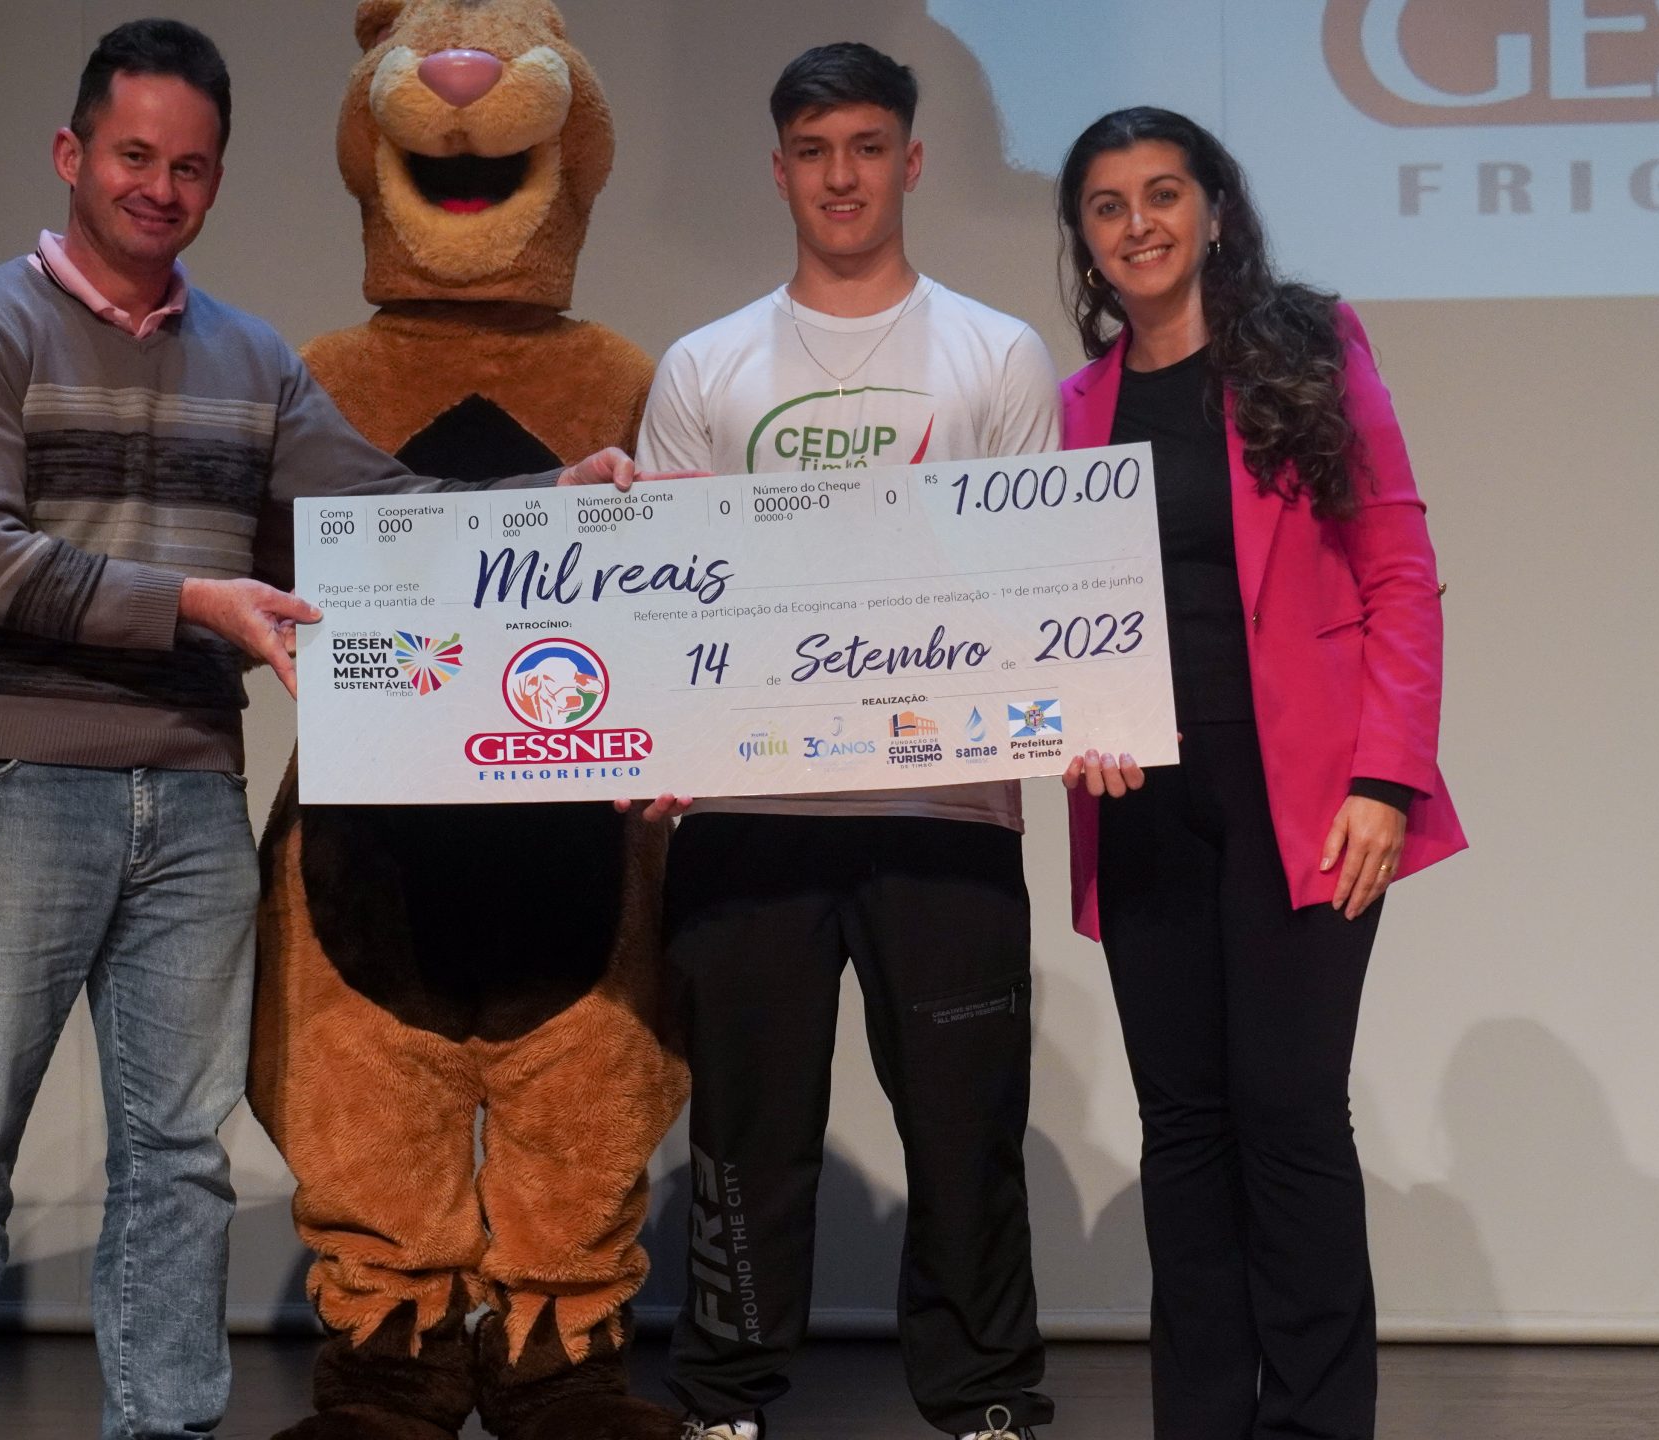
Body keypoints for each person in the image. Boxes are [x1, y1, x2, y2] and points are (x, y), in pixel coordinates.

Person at [0, 20, 642, 1440]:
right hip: (19, 785)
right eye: (134, 156)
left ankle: (165, 1424)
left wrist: (553, 498)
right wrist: (195, 604)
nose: (159, 188)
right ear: (71, 154)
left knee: (179, 1151)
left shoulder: (248, 355)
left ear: (215, 180)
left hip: (189, 796)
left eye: (190, 167)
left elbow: (381, 511)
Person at [635, 42, 1060, 1440]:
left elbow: (1044, 580)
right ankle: (724, 1396)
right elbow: (671, 596)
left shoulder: (998, 353)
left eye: (868, 148)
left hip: (948, 811)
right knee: (747, 1133)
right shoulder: (705, 365)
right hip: (750, 821)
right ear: (779, 171)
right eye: (815, 152)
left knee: (964, 1121)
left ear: (911, 162)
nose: (842, 177)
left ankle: (985, 1393)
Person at [1052, 107, 1467, 1440]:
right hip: (1143, 801)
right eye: (1108, 205)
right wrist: (1070, 718)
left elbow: (1401, 574)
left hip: (1312, 795)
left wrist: (1386, 781)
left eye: (1163, 193)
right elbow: (1049, 615)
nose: (1139, 224)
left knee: (1288, 1118)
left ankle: (1317, 1424)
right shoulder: (1073, 407)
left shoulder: (1311, 346)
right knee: (1183, 1131)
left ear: (1216, 209)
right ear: (1084, 238)